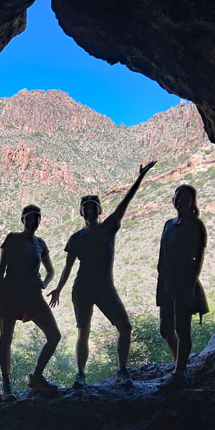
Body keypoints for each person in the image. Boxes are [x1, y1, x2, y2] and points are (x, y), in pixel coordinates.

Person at [48, 161, 157, 389]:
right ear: (81, 212)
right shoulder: (76, 238)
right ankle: (80, 375)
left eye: (93, 207)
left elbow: (125, 202)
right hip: (83, 290)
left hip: (106, 288)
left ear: (99, 211)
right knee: (83, 332)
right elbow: (68, 266)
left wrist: (140, 177)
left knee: (125, 328)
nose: (89, 211)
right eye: (86, 207)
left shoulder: (110, 227)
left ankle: (122, 370)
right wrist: (58, 288)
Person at [0, 204, 61, 398]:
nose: (34, 221)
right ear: (23, 219)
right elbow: (1, 269)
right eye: (30, 217)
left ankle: (37, 377)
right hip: (11, 294)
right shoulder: (12, 238)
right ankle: (6, 385)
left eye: (37, 218)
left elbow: (50, 270)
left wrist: (45, 284)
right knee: (6, 339)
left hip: (33, 294)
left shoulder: (40, 243)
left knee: (54, 335)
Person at [156, 185, 209, 384]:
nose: (181, 202)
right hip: (166, 280)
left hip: (184, 280)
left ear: (192, 201)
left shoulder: (196, 226)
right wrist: (160, 276)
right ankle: (179, 364)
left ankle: (180, 371)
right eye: (179, 198)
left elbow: (199, 257)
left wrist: (191, 286)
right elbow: (162, 252)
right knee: (165, 328)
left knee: (182, 327)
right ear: (174, 200)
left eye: (186, 198)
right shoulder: (168, 224)